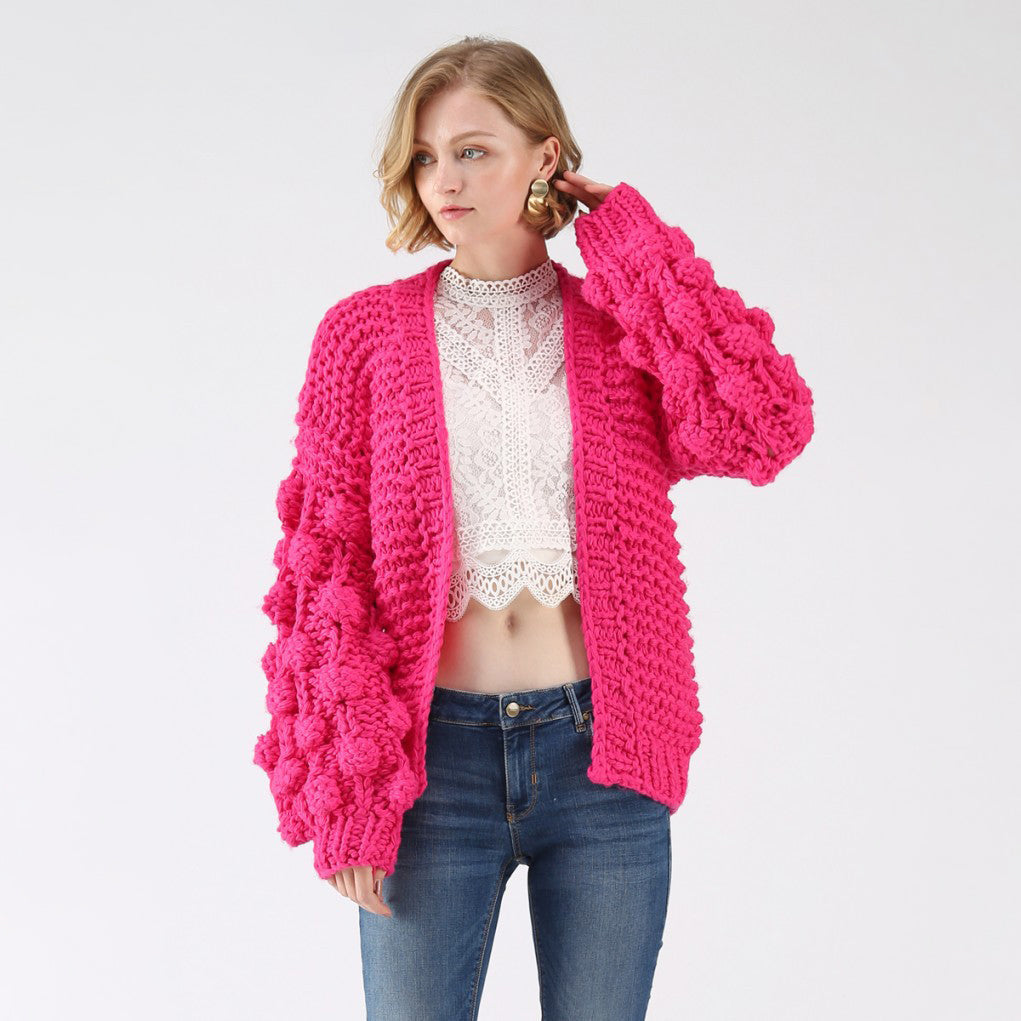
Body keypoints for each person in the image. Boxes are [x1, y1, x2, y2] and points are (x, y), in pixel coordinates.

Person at [253, 35, 814, 1021]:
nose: (444, 180)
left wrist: (630, 243)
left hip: (603, 757)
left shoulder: (616, 327)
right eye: (425, 156)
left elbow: (761, 424)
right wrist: (346, 795)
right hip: (429, 771)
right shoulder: (363, 336)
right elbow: (324, 567)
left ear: (544, 156)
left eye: (473, 150)